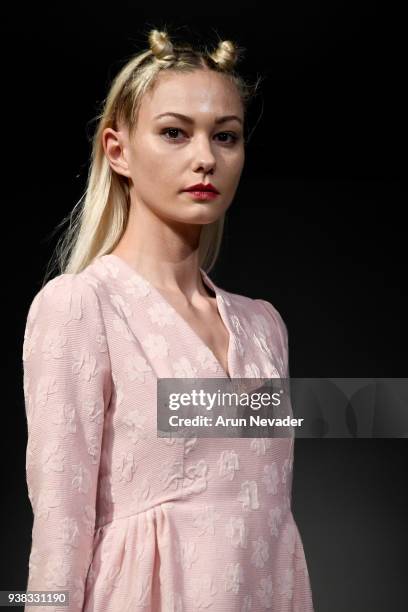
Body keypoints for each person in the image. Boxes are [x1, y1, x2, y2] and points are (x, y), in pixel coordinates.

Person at [22, 28, 315, 612]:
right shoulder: (82, 305)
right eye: (174, 133)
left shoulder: (264, 327)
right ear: (118, 150)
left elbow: (273, 522)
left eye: (225, 136)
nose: (205, 157)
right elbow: (59, 530)